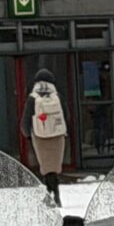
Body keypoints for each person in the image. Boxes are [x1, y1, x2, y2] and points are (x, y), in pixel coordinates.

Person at [22, 69, 68, 202]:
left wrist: (28, 135)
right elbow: (66, 115)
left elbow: (25, 120)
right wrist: (65, 132)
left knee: (46, 166)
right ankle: (55, 194)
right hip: (58, 135)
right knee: (54, 166)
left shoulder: (33, 97)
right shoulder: (57, 96)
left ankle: (50, 194)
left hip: (39, 135)